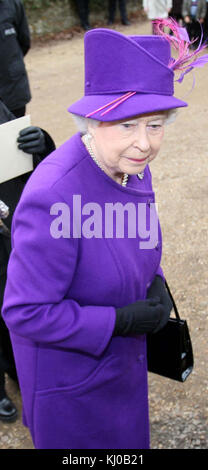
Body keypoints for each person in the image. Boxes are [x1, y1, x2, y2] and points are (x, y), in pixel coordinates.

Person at [2, 20, 208, 449]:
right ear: (91, 120)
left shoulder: (130, 165)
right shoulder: (53, 195)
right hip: (72, 385)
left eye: (155, 125)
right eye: (127, 125)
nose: (144, 144)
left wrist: (155, 281)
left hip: (122, 367)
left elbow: (137, 237)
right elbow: (25, 312)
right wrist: (120, 321)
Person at [0, 98, 56, 422]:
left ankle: (18, 368)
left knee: (14, 298)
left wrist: (40, 145)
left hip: (10, 226)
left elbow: (22, 158)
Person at [0, 0, 31, 118]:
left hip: (13, 87)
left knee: (15, 131)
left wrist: (11, 65)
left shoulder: (12, 4)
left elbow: (24, 42)